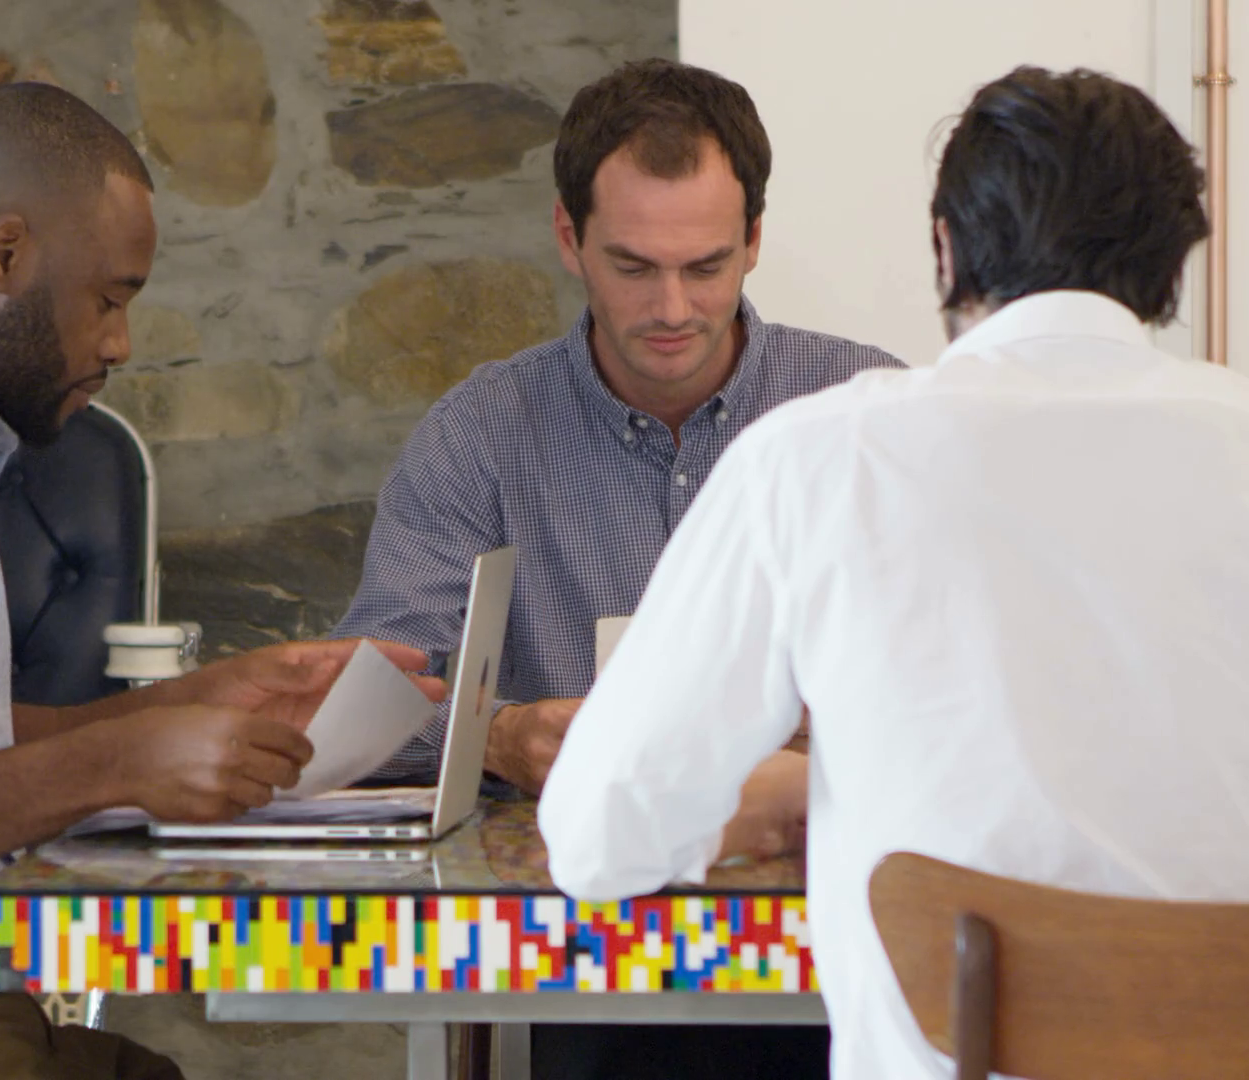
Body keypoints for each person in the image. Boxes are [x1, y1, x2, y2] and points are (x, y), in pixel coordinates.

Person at [538, 64, 1249, 1080]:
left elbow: (597, 839)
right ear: (1173, 264)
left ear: (947, 247)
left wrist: (790, 796)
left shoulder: (813, 463)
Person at [0, 83, 441, 1080]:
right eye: (109, 298)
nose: (120, 344)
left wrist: (186, 705)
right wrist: (118, 763)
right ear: (5, 256)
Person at [333, 58, 900, 1079]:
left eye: (707, 266)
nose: (673, 307)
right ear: (569, 239)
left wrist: (844, 727)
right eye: (634, 267)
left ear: (755, 241)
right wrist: (501, 737)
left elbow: (982, 684)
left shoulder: (867, 410)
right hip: (573, 965)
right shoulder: (484, 433)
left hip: (845, 961)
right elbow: (364, 704)